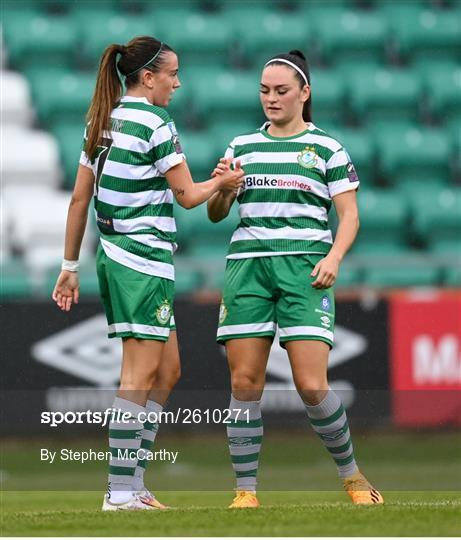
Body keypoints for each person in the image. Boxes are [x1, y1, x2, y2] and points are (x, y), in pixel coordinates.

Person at [52, 36, 244, 511]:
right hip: (139, 258)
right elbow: (188, 196)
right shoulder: (156, 122)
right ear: (148, 76)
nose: (177, 83)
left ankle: (133, 485)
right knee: (138, 373)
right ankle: (119, 493)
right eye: (172, 74)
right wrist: (224, 181)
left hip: (118, 255)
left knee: (168, 369)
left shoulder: (103, 118)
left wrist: (69, 266)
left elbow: (80, 199)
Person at [208, 50, 384, 508]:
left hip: (306, 268)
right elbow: (215, 213)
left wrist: (335, 256)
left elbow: (350, 217)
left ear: (304, 93)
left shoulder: (327, 148)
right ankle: (245, 492)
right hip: (247, 266)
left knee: (311, 385)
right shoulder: (241, 145)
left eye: (281, 91)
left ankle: (353, 477)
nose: (271, 98)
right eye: (265, 91)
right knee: (245, 383)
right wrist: (222, 190)